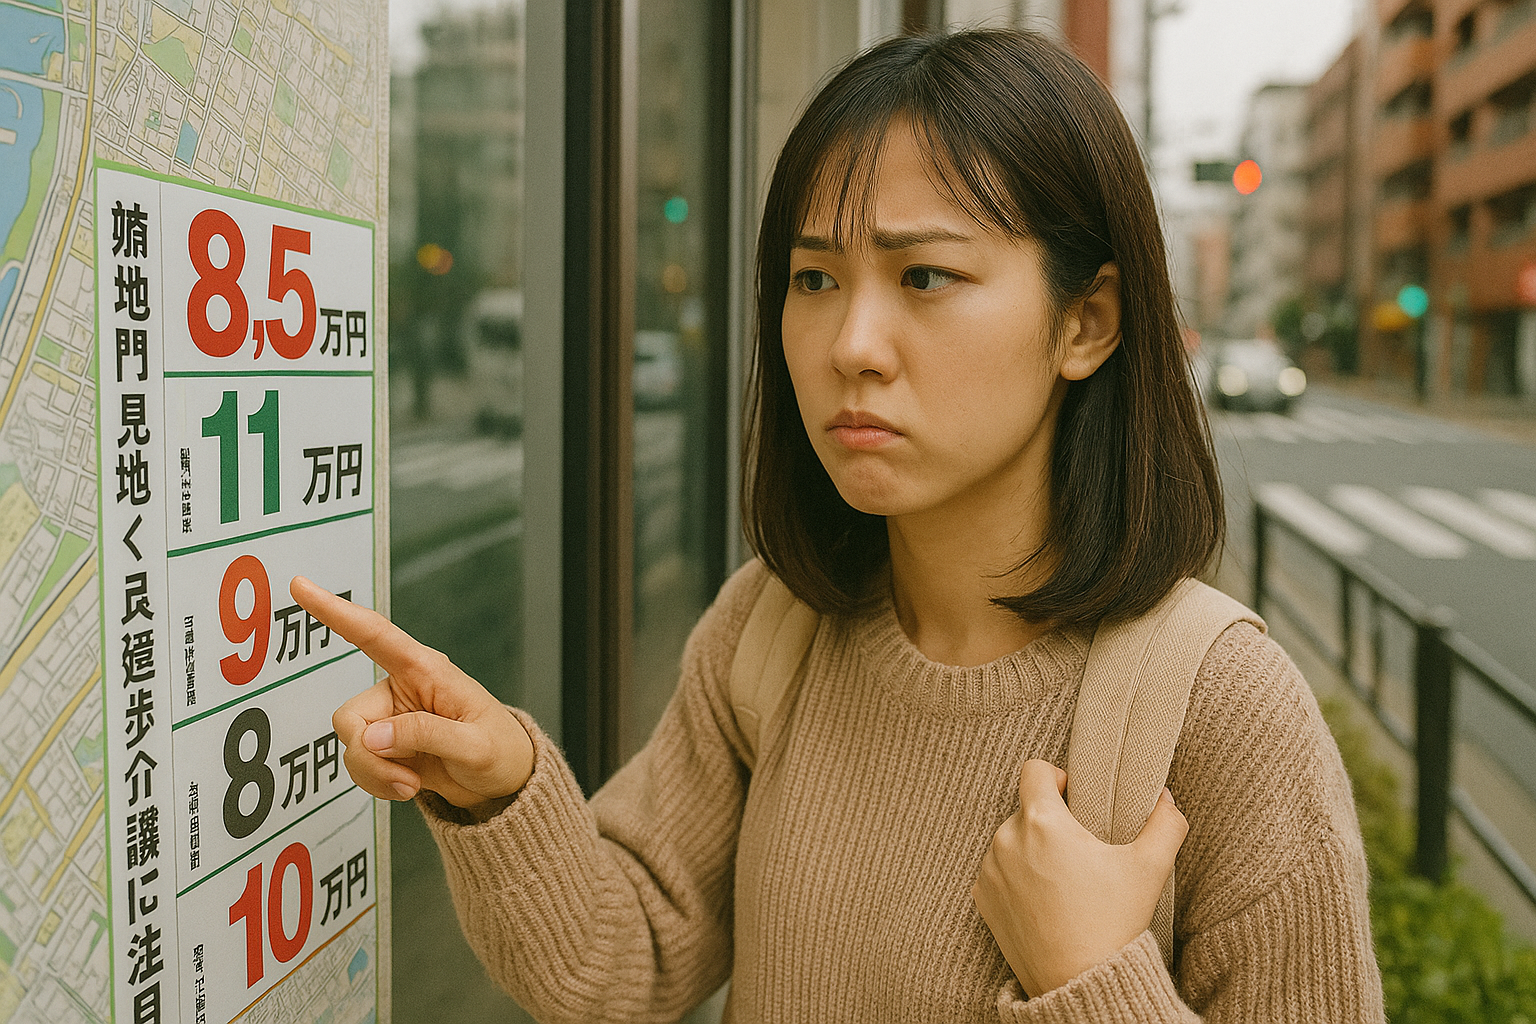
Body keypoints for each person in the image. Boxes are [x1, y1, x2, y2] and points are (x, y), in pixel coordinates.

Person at [294, 28, 1385, 1023]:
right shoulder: (772, 631)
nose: (851, 342)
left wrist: (1094, 979)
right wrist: (500, 789)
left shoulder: (1226, 714)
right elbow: (622, 963)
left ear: (1085, 321)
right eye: (814, 277)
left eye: (926, 275)